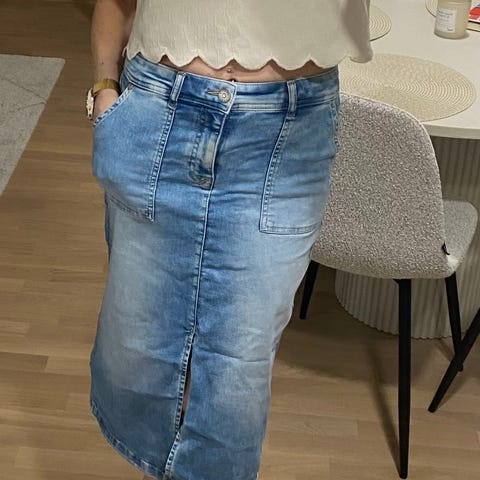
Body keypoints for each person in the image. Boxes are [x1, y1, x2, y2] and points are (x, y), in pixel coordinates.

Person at [87, 1, 372, 480]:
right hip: (159, 110)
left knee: (235, 375)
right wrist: (103, 88)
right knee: (138, 354)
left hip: (282, 136)